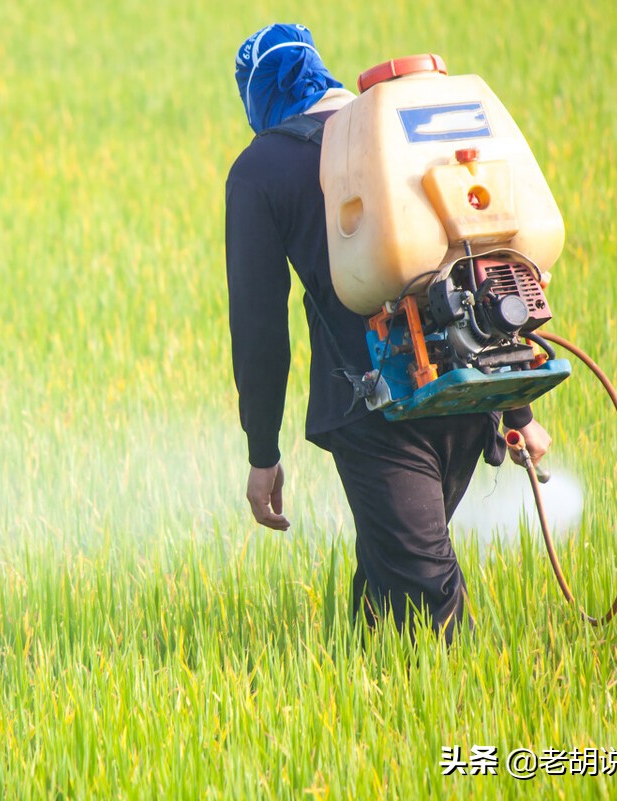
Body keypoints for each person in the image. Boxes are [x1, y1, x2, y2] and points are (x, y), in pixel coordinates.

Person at [224, 23, 551, 644]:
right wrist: (517, 407)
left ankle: (477, 701)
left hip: (378, 409)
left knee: (428, 598)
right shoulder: (399, 128)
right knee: (391, 582)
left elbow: (258, 327)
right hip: (470, 388)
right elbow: (486, 246)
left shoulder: (261, 167)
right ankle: (366, 684)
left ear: (257, 96)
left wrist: (262, 453)